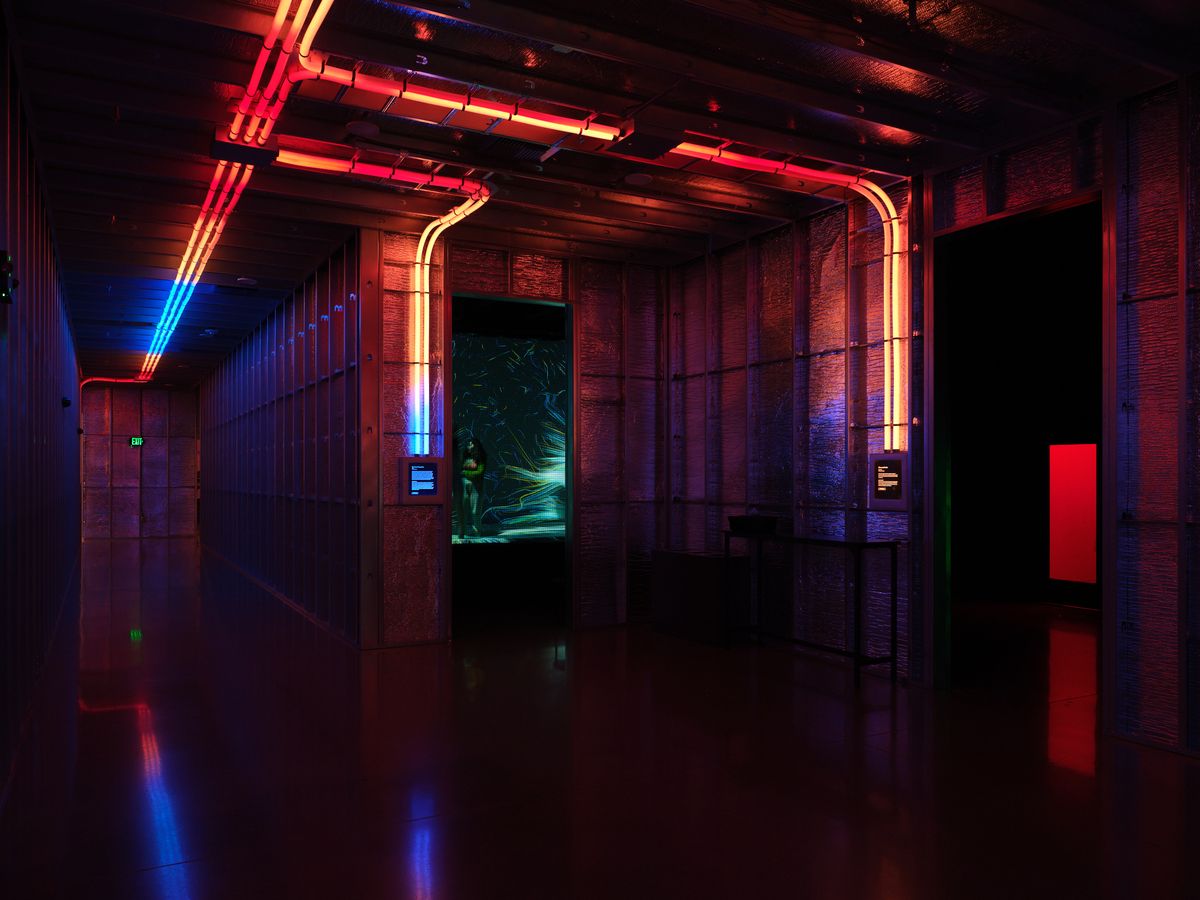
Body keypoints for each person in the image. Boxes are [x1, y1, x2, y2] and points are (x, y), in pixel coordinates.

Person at [459, 436, 487, 538]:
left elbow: (479, 472)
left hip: (477, 486)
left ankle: (477, 533)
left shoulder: (481, 457)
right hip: (464, 485)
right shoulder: (464, 456)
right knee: (463, 510)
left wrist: (465, 472)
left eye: (471, 444)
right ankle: (464, 533)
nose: (470, 446)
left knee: (475, 511)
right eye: (469, 444)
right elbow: (458, 471)